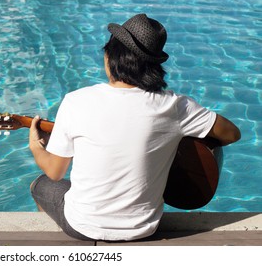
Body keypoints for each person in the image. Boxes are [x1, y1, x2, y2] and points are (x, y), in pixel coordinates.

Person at [28, 13, 241, 241]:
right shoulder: (176, 106)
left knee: (40, 185)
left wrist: (36, 147)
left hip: (83, 226)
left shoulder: (76, 101)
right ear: (155, 67)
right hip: (145, 228)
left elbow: (55, 171)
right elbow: (232, 134)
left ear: (110, 56)